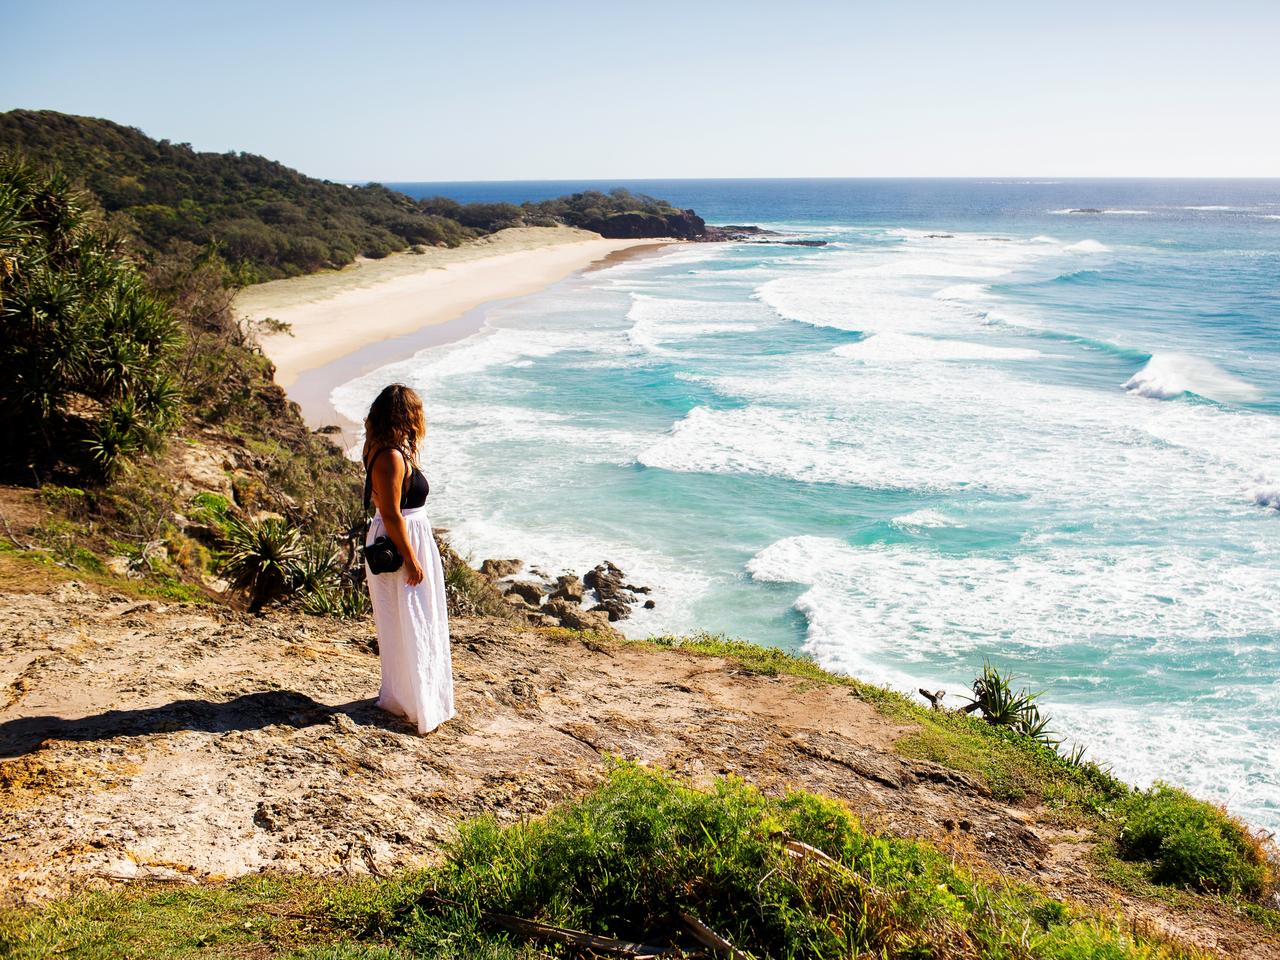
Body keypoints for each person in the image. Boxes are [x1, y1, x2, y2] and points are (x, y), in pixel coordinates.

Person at [361, 383, 453, 733]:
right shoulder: (390, 456)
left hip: (403, 535)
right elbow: (392, 512)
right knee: (413, 618)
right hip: (401, 539)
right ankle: (414, 702)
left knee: (405, 618)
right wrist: (412, 559)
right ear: (405, 415)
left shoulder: (384, 449)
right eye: (416, 411)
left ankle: (410, 696)